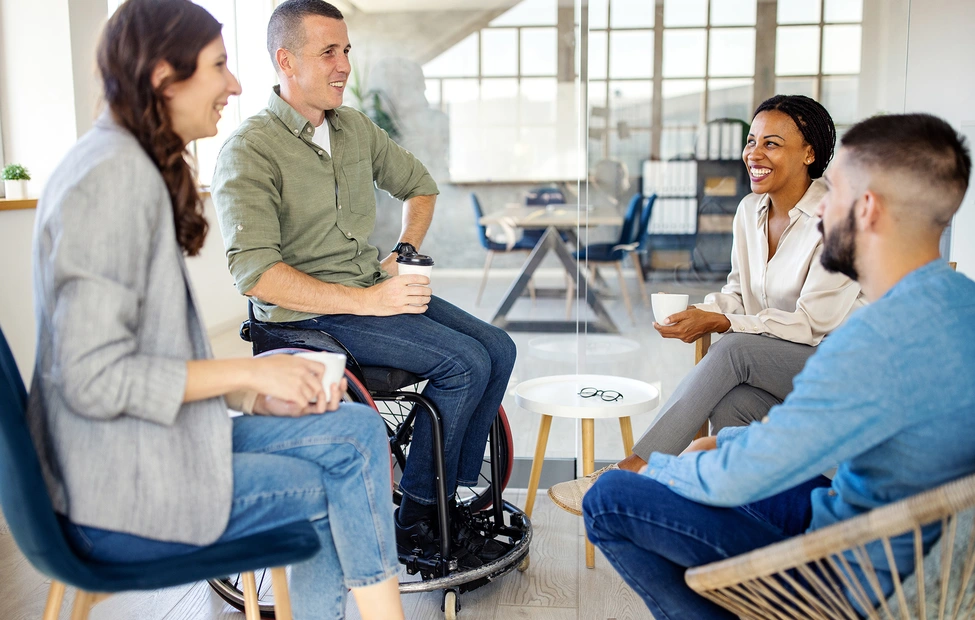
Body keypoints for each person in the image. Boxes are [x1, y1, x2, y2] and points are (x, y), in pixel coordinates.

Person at [26, 2, 404, 619]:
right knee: (346, 478)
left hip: (154, 444)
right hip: (119, 487)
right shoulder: (110, 181)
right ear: (162, 79)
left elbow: (139, 364)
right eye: (219, 66)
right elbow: (92, 378)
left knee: (357, 429)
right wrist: (250, 374)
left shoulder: (129, 165)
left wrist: (252, 396)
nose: (234, 84)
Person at [583, 112, 975, 618]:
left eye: (835, 191)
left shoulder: (872, 344)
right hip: (906, 546)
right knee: (726, 435)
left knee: (613, 497)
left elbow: (733, 481)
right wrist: (720, 443)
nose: (822, 205)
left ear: (868, 209)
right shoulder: (960, 305)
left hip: (846, 575)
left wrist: (668, 467)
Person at [209, 0, 516, 567]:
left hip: (367, 291)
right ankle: (419, 520)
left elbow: (420, 187)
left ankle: (447, 494)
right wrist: (369, 300)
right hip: (306, 317)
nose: (344, 65)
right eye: (328, 52)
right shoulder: (249, 150)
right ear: (286, 61)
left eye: (346, 51)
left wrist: (401, 254)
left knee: (498, 347)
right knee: (466, 363)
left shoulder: (352, 128)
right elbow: (256, 274)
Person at [549, 95, 865, 516]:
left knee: (734, 350)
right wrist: (704, 310)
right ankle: (732, 517)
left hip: (837, 374)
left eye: (772, 143)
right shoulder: (750, 210)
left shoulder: (838, 219)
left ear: (810, 153)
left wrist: (721, 320)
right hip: (787, 379)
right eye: (751, 141)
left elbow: (812, 325)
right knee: (730, 402)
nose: (754, 153)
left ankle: (631, 469)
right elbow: (739, 290)